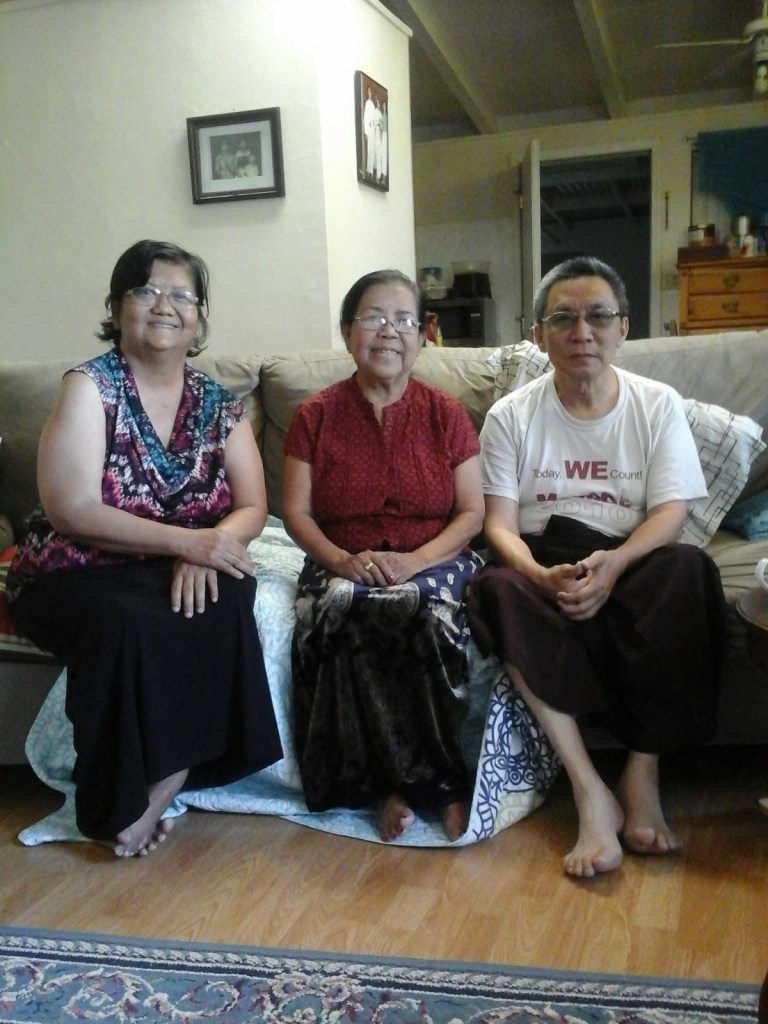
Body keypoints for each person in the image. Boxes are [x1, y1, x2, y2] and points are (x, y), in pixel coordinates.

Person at [7, 239, 282, 858]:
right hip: (75, 565)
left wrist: (206, 549)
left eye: (182, 295)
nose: (165, 305)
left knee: (233, 591)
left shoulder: (219, 405)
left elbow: (253, 506)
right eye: (146, 290)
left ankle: (169, 778)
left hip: (175, 559)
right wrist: (191, 542)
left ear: (199, 318)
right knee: (126, 621)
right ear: (116, 307)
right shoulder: (90, 387)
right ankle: (119, 804)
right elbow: (72, 510)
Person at [467, 256, 727, 878]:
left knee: (689, 569)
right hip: (542, 555)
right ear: (539, 335)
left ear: (623, 328)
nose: (582, 332)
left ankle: (642, 773)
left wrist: (617, 562)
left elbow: (671, 512)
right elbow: (498, 525)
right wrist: (536, 574)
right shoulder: (510, 416)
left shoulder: (656, 404)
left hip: (629, 552)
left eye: (598, 316)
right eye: (563, 319)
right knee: (492, 588)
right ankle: (589, 790)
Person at [282, 269, 484, 843]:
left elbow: (472, 513)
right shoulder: (315, 415)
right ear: (348, 332)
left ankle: (439, 784)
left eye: (404, 321)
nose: (389, 331)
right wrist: (341, 561)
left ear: (422, 336)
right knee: (342, 608)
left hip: (434, 557)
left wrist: (417, 562)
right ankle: (383, 785)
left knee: (425, 614)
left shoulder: (446, 413)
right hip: (342, 556)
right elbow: (296, 513)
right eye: (373, 318)